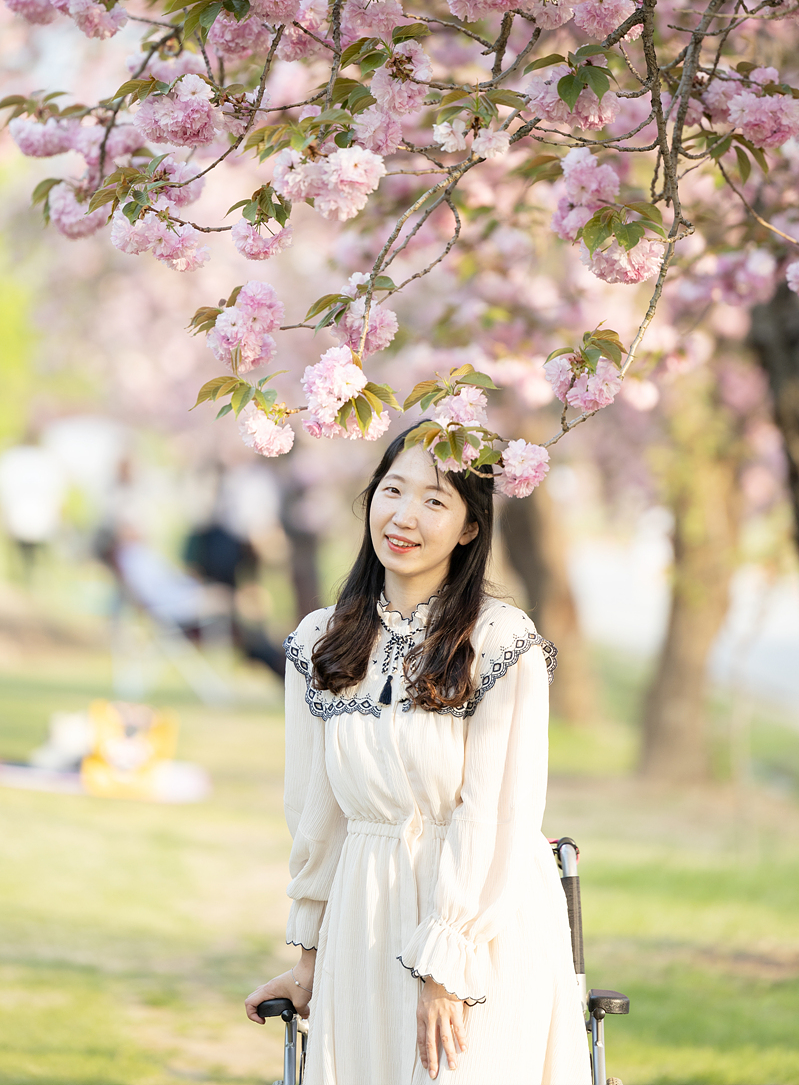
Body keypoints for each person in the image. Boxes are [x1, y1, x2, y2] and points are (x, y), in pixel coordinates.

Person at [244, 429, 590, 1084]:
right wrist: (310, 956)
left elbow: (496, 812)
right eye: (392, 490)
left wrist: (446, 962)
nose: (403, 516)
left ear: (468, 527)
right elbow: (316, 813)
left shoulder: (498, 640)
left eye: (434, 500)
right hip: (363, 916)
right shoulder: (321, 640)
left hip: (480, 926)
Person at [0, 435, 67, 585]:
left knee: (22, 552)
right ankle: (28, 580)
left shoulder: (11, 458)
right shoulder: (47, 459)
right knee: (34, 552)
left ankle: (25, 580)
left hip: (21, 514)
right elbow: (58, 492)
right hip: (38, 515)